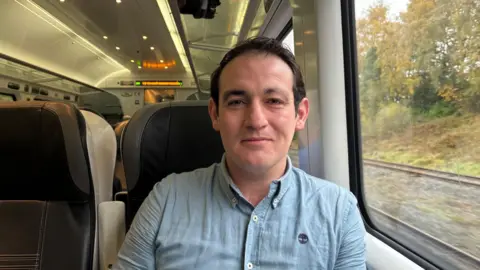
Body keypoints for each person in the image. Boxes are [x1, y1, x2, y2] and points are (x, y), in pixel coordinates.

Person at [113, 37, 366, 269]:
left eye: (274, 100)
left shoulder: (339, 213)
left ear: (300, 114)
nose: (256, 121)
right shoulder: (165, 199)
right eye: (236, 102)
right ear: (215, 115)